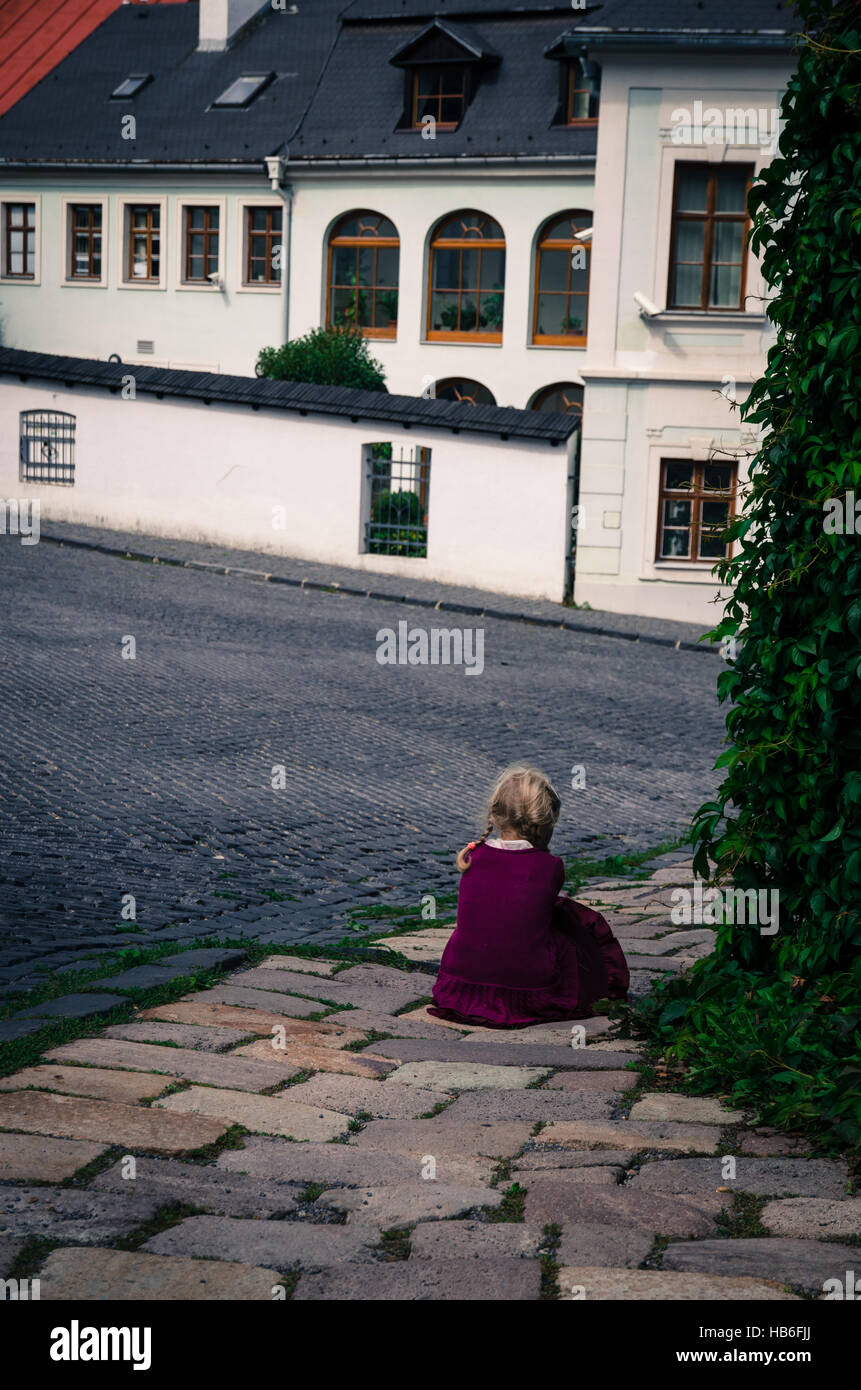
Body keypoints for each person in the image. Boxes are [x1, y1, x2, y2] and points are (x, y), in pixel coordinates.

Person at [429, 764, 629, 1028]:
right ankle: (605, 984)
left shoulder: (473, 857)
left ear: (495, 814)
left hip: (462, 981)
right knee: (570, 923)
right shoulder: (549, 866)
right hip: (524, 987)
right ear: (545, 822)